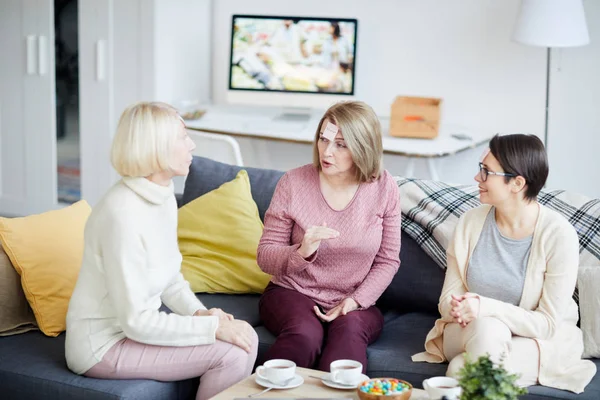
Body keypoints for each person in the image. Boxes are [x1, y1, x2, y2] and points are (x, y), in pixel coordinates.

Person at [65, 102, 258, 400]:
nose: (192, 144)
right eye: (183, 137)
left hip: (132, 333)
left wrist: (201, 312)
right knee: (232, 352)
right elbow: (136, 321)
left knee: (245, 335)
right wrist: (210, 329)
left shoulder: (163, 196)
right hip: (102, 345)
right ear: (157, 147)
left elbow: (170, 277)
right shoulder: (121, 215)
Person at [412, 134, 596, 393]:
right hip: (469, 331)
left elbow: (547, 324)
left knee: (460, 370)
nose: (478, 178)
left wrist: (483, 306)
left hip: (536, 340)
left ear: (517, 183)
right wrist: (462, 309)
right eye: (481, 169)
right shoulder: (470, 222)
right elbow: (446, 301)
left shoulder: (558, 234)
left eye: (487, 172)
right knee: (488, 328)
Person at [256, 101, 401, 372]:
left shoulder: (384, 187)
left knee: (347, 341)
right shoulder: (293, 182)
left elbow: (388, 260)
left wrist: (356, 300)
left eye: (341, 144)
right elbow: (265, 257)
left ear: (363, 147)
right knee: (304, 336)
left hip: (355, 299)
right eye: (324, 139)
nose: (327, 151)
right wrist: (302, 251)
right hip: (292, 292)